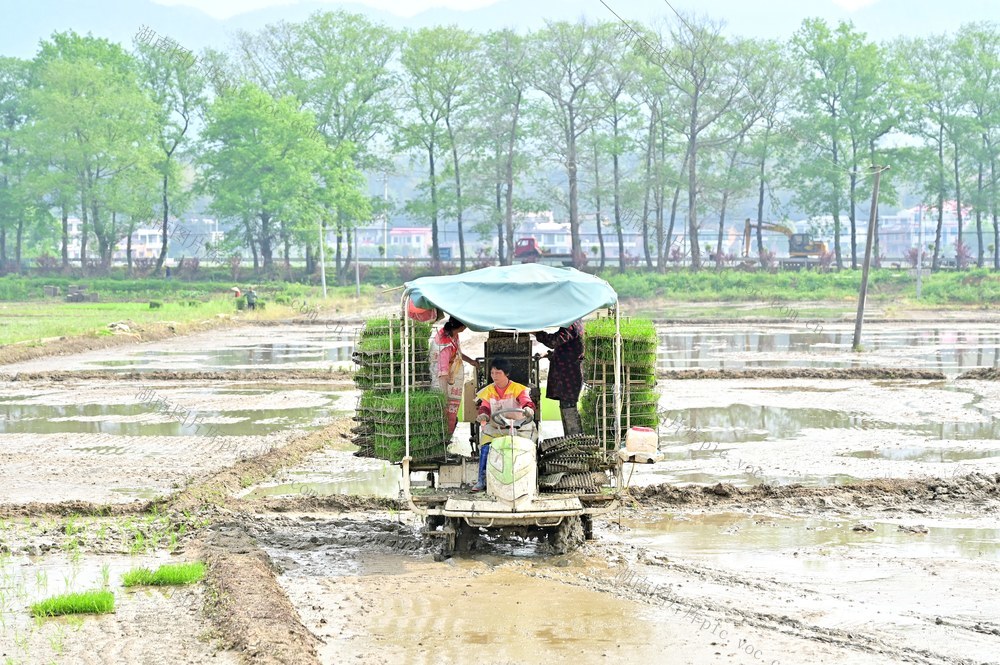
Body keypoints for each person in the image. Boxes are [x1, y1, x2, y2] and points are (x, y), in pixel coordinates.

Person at [472, 357, 535, 492]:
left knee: (526, 448)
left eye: (498, 373)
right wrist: (483, 415)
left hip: (519, 427)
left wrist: (528, 409)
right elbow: (485, 407)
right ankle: (481, 479)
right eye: (492, 373)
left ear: (506, 373)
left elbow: (527, 402)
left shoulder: (518, 388)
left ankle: (528, 478)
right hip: (496, 428)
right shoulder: (489, 390)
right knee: (485, 447)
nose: (494, 376)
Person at [533, 320, 584, 435]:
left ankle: (575, 439)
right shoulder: (575, 322)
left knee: (569, 408)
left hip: (569, 376)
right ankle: (571, 439)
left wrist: (536, 332)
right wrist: (549, 354)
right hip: (569, 375)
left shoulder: (571, 325)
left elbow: (554, 341)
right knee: (566, 406)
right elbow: (566, 348)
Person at [429, 317, 477, 436]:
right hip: (443, 384)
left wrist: (471, 361)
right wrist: (444, 396)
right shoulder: (444, 345)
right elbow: (443, 373)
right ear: (462, 327)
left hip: (450, 380)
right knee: (445, 415)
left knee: (451, 414)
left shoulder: (452, 335)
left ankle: (447, 438)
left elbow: (457, 353)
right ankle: (444, 440)